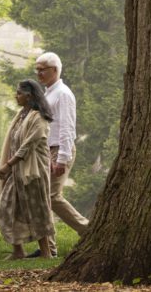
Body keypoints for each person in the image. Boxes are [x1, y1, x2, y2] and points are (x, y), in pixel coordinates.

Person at [30, 51, 89, 257]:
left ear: (54, 70)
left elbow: (67, 128)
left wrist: (62, 158)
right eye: (36, 70)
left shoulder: (63, 94)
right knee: (44, 198)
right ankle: (49, 248)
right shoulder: (48, 94)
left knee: (52, 196)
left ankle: (87, 230)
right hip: (48, 151)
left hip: (59, 149)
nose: (39, 74)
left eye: (42, 70)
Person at [0, 79, 56, 259]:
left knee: (37, 210)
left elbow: (27, 146)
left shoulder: (39, 118)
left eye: (19, 93)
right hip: (17, 171)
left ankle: (46, 252)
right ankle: (18, 250)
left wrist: (7, 165)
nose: (16, 96)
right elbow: (15, 142)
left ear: (29, 96)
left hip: (33, 172)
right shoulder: (21, 116)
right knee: (8, 207)